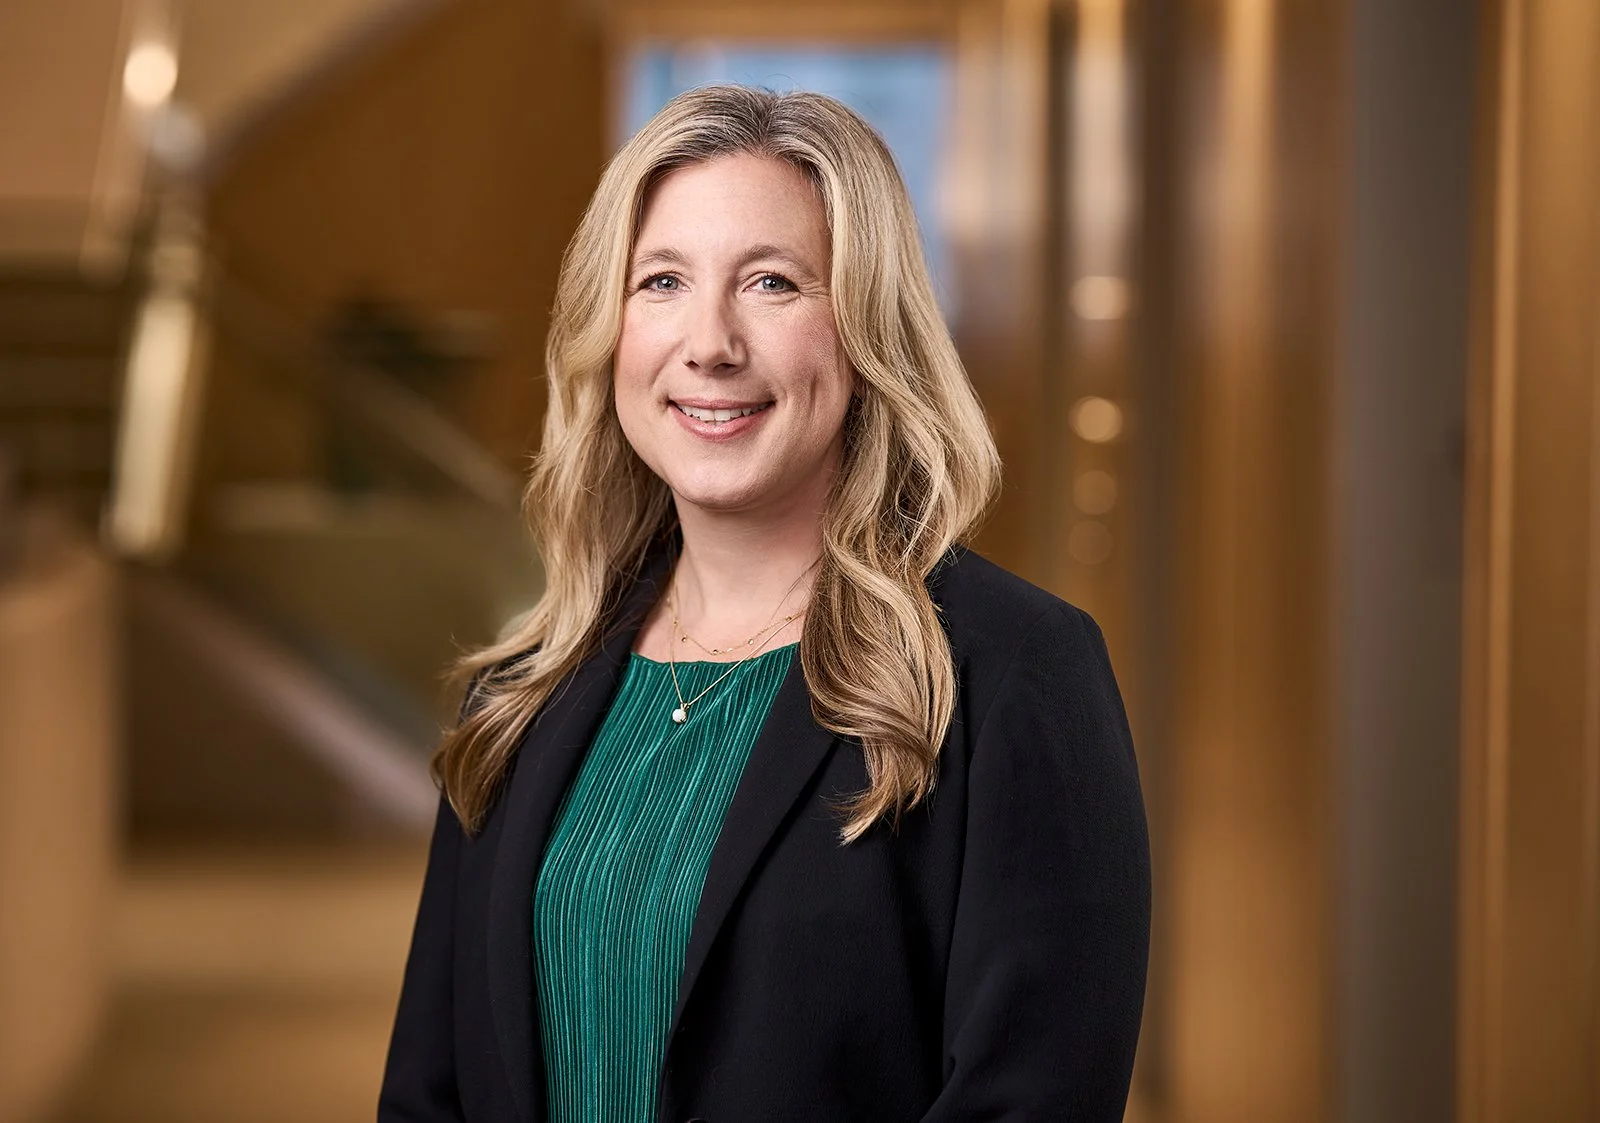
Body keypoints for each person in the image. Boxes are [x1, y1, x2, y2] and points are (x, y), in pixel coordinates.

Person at [379, 84, 1150, 1123]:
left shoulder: (1014, 674)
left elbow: (1032, 1101)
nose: (709, 342)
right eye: (661, 281)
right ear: (610, 329)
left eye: (772, 283)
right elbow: (428, 1093)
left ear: (867, 331)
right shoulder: (518, 695)